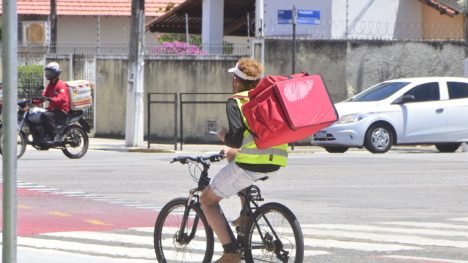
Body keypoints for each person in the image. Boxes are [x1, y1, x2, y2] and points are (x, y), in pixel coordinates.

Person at [200, 58, 288, 263]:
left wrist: (223, 136)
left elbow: (236, 138)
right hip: (276, 161)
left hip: (251, 162)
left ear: (236, 80)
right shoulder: (267, 99)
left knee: (206, 201)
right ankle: (246, 214)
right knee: (232, 157)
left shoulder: (237, 101)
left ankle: (230, 253)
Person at [40, 62, 70, 143]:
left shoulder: (61, 85)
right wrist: (33, 100)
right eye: (47, 72)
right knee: (39, 113)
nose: (48, 74)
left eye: (50, 72)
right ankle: (44, 135)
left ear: (56, 73)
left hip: (62, 110)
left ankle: (54, 135)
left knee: (46, 115)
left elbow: (61, 98)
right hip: (53, 109)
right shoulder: (49, 85)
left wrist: (50, 99)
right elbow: (43, 96)